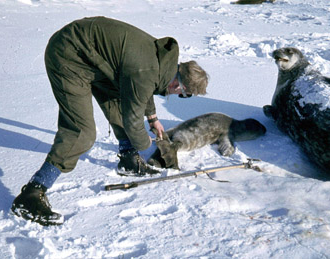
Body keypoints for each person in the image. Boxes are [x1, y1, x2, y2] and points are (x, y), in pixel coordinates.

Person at [11, 16, 209, 226]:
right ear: (179, 85)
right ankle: (32, 194)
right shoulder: (146, 70)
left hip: (91, 56)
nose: (178, 96)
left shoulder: (162, 63)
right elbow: (134, 119)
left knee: (118, 100)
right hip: (68, 55)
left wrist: (152, 118)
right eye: (184, 94)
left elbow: (143, 88)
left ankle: (128, 160)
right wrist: (150, 148)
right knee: (81, 132)